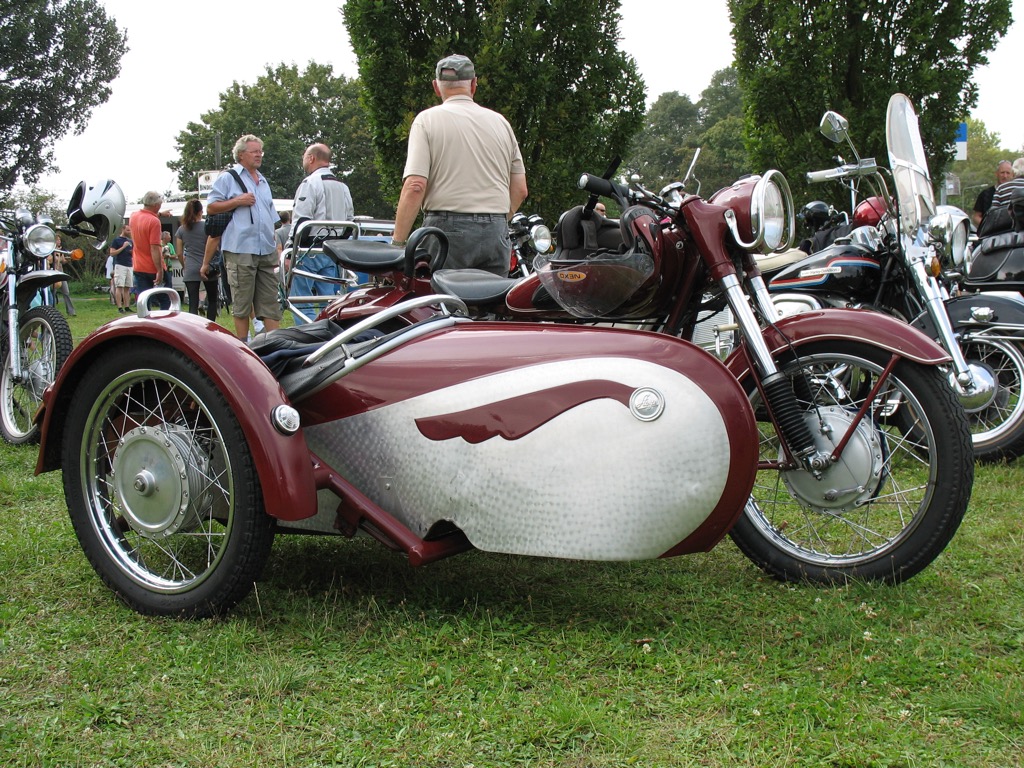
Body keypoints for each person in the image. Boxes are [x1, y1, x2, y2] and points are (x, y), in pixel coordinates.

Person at [392, 54, 528, 275]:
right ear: (474, 84)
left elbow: (415, 185)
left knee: (440, 306)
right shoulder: (501, 123)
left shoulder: (426, 120)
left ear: (436, 87)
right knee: (490, 306)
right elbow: (521, 189)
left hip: (446, 230)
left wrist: (398, 244)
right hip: (495, 230)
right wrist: (499, 222)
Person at [206, 134, 281, 340]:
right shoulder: (228, 177)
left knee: (270, 303)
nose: (259, 155)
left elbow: (271, 214)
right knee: (242, 302)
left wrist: (275, 241)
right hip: (240, 249)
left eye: (260, 151)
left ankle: (275, 346)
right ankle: (243, 347)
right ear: (241, 155)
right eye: (254, 151)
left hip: (265, 248)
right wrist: (237, 201)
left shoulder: (263, 180)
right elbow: (211, 207)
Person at [287, 142, 355, 323]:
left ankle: (307, 333)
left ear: (311, 158)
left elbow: (301, 220)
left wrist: (290, 249)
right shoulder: (343, 187)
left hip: (308, 250)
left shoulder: (310, 183)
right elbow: (350, 220)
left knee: (301, 299)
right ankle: (329, 332)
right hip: (333, 250)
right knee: (329, 299)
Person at [175, 199, 219, 321]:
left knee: (192, 303)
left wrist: (185, 265)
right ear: (201, 211)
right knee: (212, 299)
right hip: (208, 266)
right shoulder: (207, 226)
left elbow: (179, 253)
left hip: (191, 267)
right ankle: (211, 326)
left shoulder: (181, 230)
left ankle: (194, 328)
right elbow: (215, 246)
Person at [129, 191, 167, 309]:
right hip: (152, 267)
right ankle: (165, 325)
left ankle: (145, 324)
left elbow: (146, 217)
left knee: (144, 301)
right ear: (156, 205)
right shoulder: (155, 222)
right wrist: (159, 270)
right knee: (166, 300)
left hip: (138, 266)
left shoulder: (133, 216)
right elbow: (155, 248)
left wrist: (160, 214)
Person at [973, 160, 1014, 228]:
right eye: (1002, 172)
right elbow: (976, 217)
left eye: (1008, 173)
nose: (1005, 176)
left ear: (1013, 175)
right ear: (996, 174)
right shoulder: (985, 194)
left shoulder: (1017, 194)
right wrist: (988, 227)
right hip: (991, 235)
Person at [48, 236, 76, 316]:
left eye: (60, 239)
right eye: (57, 240)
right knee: (53, 292)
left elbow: (63, 261)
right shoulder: (50, 250)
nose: (59, 241)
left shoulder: (60, 251)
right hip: (53, 272)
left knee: (66, 291)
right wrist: (57, 255)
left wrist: (70, 259)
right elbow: (51, 260)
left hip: (61, 272)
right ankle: (52, 311)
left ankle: (71, 311)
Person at [110, 224, 134, 312]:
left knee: (127, 287)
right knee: (119, 286)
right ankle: (120, 307)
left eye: (130, 230)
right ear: (123, 229)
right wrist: (123, 247)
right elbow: (112, 253)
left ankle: (127, 307)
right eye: (128, 230)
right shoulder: (116, 240)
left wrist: (132, 252)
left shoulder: (130, 241)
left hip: (129, 265)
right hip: (120, 265)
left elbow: (132, 253)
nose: (129, 232)